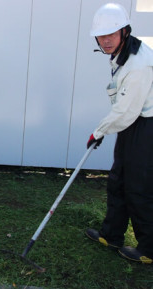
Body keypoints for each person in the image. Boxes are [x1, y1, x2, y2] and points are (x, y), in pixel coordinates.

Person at [85, 3, 153, 264]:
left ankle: (148, 249)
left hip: (146, 127)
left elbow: (125, 111)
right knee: (118, 179)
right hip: (132, 123)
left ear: (125, 31)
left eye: (111, 34)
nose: (106, 40)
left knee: (140, 187)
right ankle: (111, 234)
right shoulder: (122, 54)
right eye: (101, 36)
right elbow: (125, 112)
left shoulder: (139, 64)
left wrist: (98, 131)